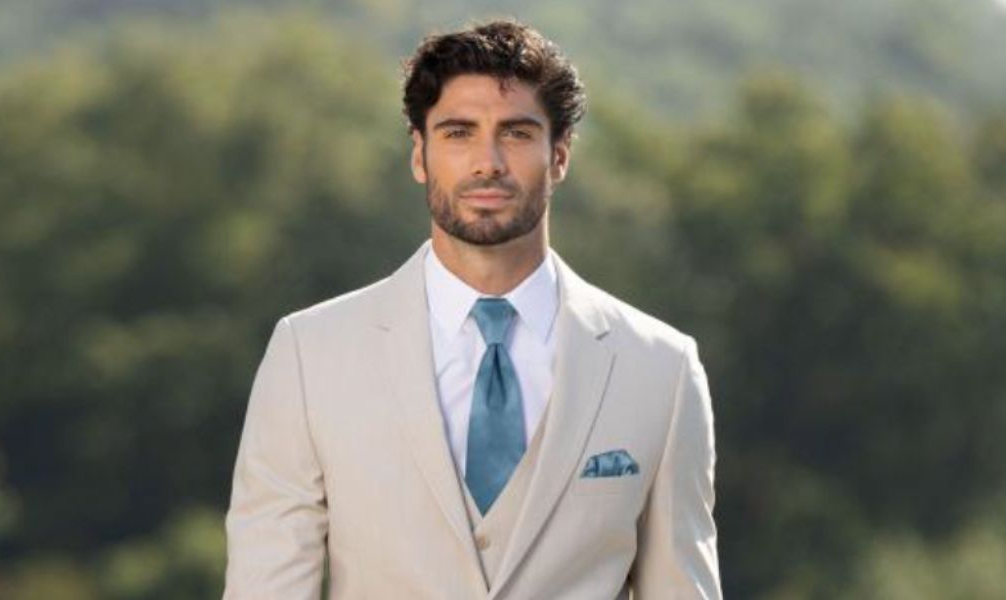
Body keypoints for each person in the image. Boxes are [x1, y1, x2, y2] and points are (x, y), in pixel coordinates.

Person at [224, 20, 721, 599]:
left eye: (515, 133)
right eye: (459, 133)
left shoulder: (660, 368)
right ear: (420, 155)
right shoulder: (310, 355)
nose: (487, 162)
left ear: (558, 155)